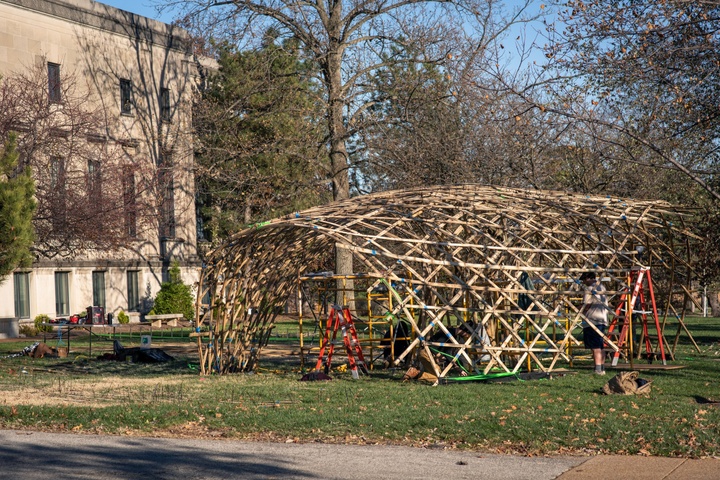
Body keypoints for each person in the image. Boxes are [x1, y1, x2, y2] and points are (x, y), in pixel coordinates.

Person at [579, 271, 609, 375]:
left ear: (589, 278)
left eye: (584, 280)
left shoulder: (589, 289)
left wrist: (579, 310)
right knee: (600, 345)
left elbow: (586, 305)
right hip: (602, 319)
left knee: (595, 346)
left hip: (592, 320)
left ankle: (597, 369)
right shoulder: (602, 287)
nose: (583, 282)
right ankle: (602, 368)